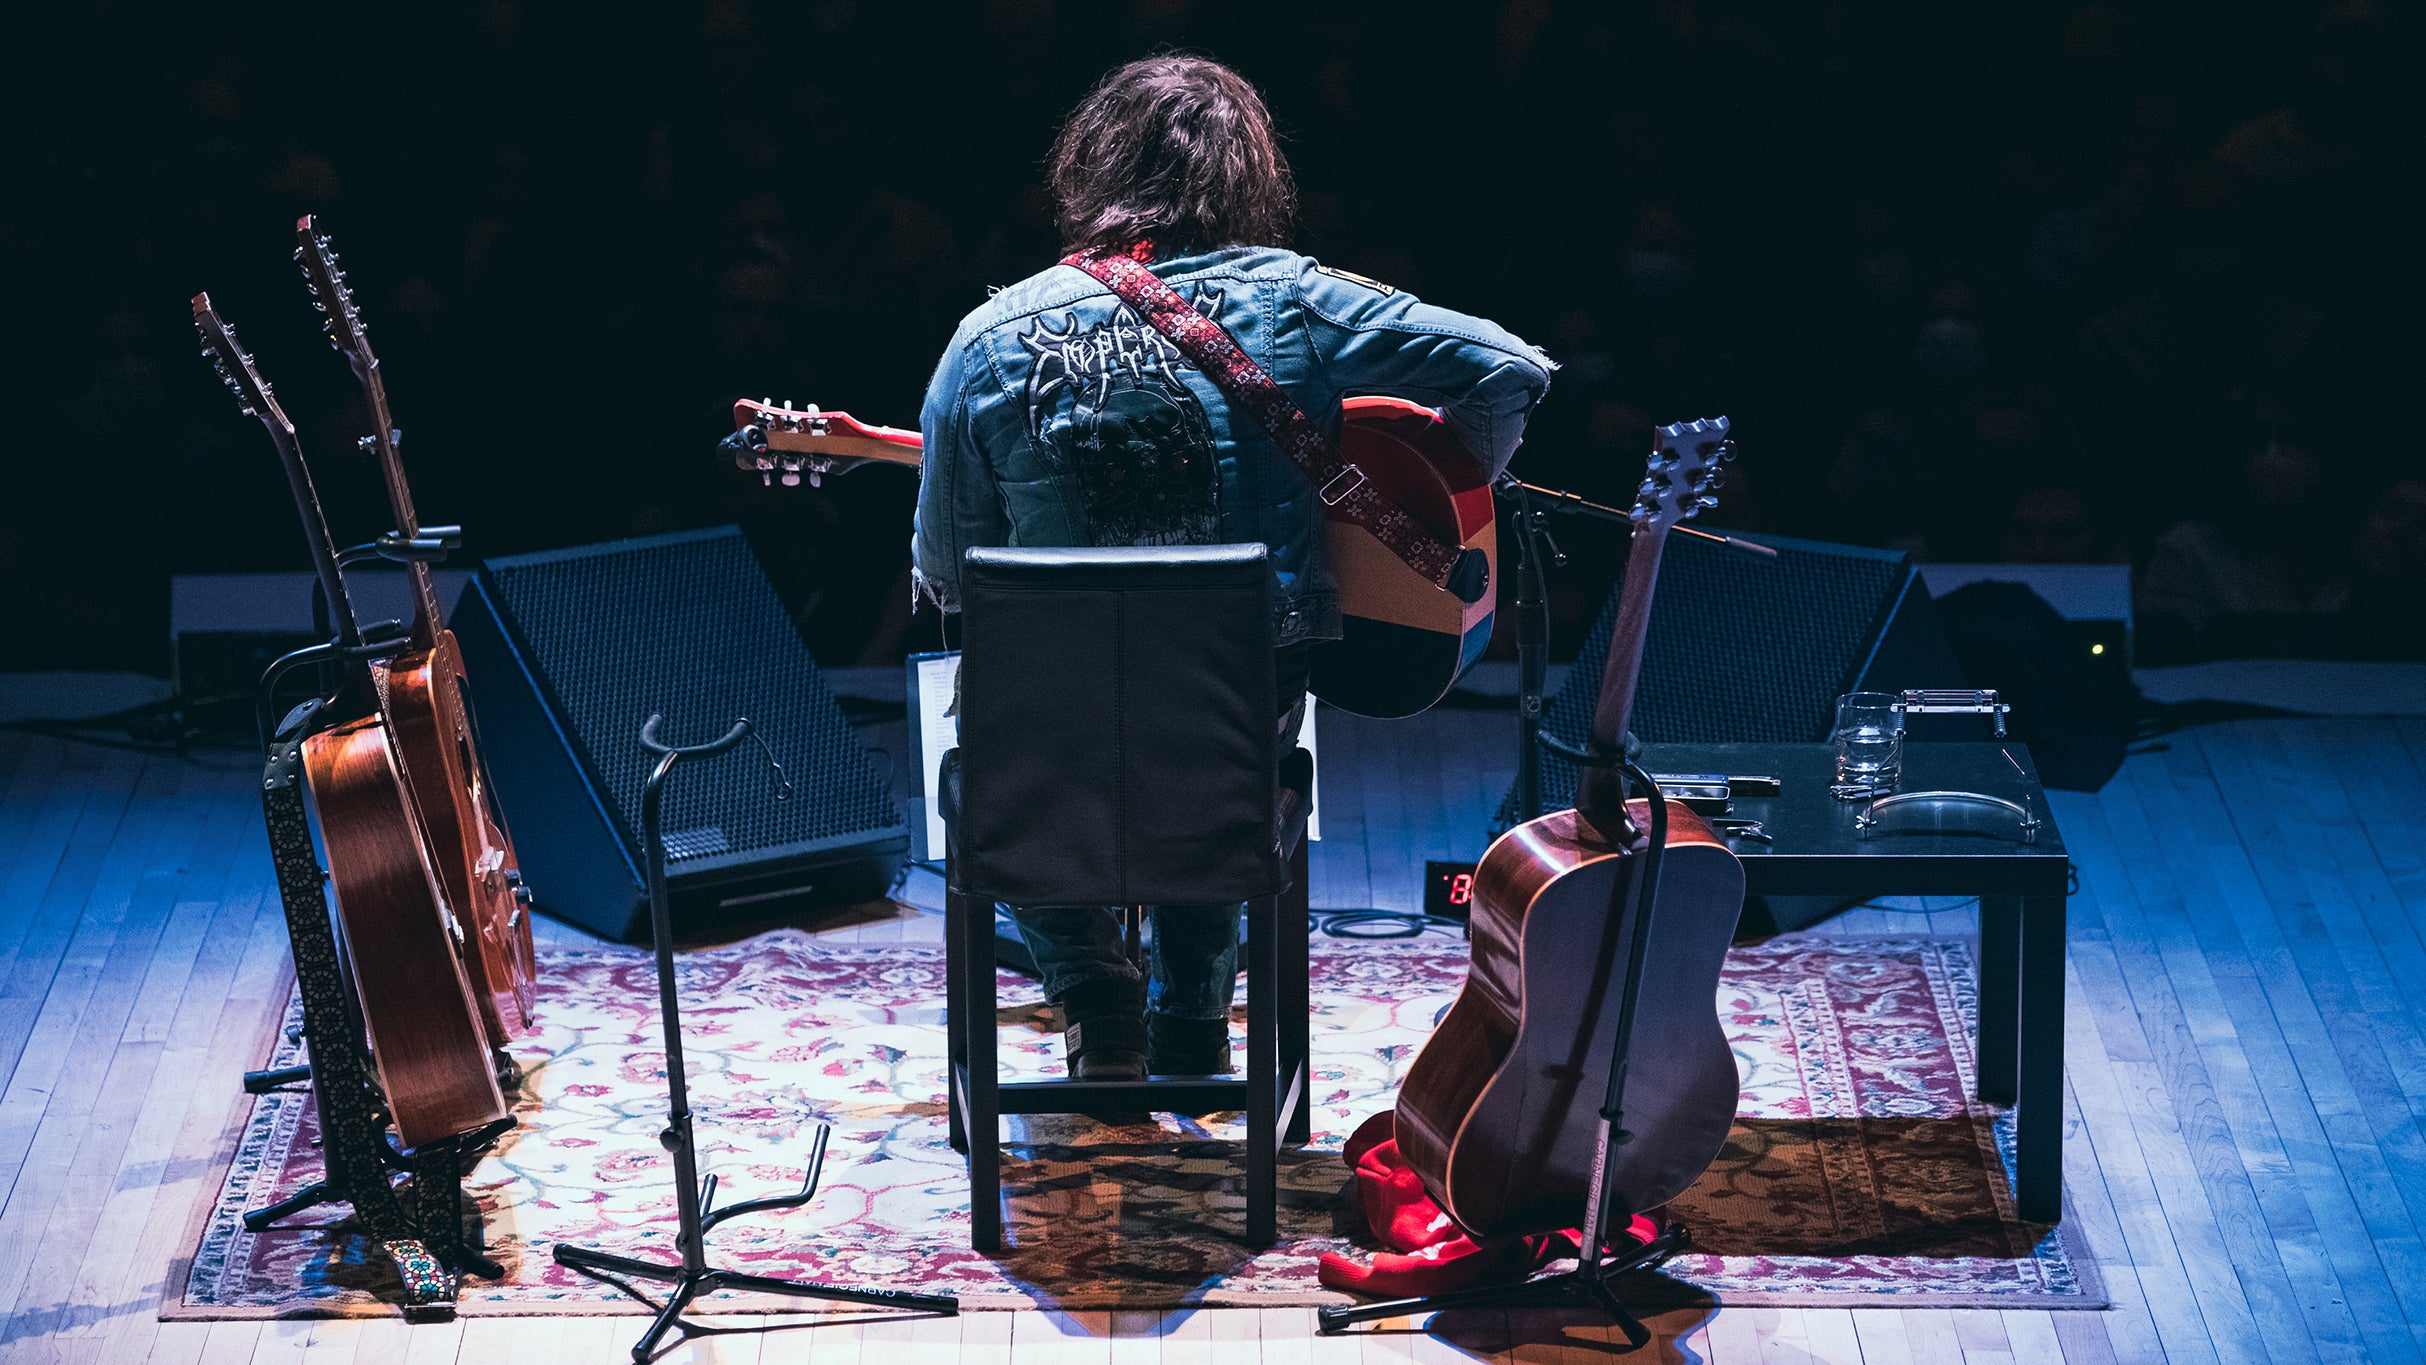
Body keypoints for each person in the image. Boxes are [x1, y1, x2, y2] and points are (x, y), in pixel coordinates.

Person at [912, 55, 1555, 1083]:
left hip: (1050, 742)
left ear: (1089, 165)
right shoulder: (1292, 298)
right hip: (1226, 726)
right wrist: (1438, 488)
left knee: (992, 729)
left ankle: (1093, 1004)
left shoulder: (985, 335)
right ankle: (1193, 1020)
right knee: (1223, 754)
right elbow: (1509, 367)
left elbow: (948, 573)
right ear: (1247, 174)